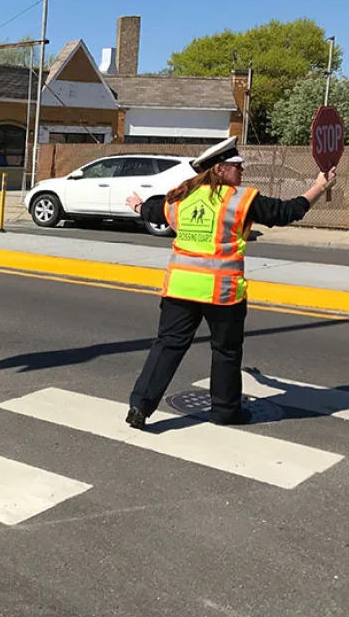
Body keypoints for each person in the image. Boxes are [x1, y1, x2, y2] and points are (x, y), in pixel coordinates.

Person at [124, 136, 337, 430]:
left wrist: (137, 206)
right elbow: (287, 212)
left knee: (167, 347)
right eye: (238, 166)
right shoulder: (241, 199)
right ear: (220, 170)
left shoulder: (180, 196)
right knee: (225, 351)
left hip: (180, 289)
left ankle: (140, 407)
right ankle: (225, 411)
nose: (242, 170)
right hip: (222, 292)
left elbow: (153, 211)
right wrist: (319, 187)